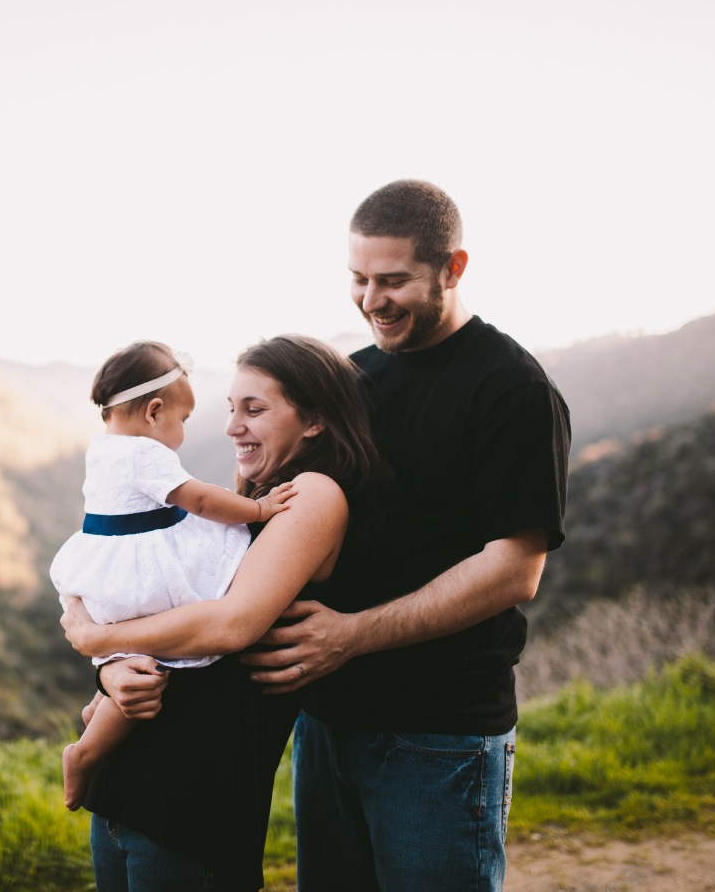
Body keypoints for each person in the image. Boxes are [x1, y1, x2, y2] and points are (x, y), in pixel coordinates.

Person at [87, 180, 571, 891]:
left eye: (395, 280)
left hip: (438, 731)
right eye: (359, 279)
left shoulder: (510, 387)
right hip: (326, 719)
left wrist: (352, 635)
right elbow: (235, 550)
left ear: (453, 268)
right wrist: (108, 654)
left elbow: (513, 569)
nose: (372, 299)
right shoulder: (350, 381)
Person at [61, 334, 381, 891]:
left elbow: (230, 624)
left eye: (254, 410)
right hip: (128, 787)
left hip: (193, 804)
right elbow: (133, 583)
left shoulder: (313, 493)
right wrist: (109, 666)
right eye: (232, 408)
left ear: (314, 421)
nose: (232, 426)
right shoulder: (246, 496)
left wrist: (94, 639)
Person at [50, 340, 298, 811]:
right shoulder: (145, 454)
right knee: (152, 660)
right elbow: (200, 500)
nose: (184, 431)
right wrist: (259, 507)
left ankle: (98, 708)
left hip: (104, 566)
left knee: (131, 653)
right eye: (183, 420)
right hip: (138, 575)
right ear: (154, 411)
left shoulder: (104, 448)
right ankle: (85, 752)